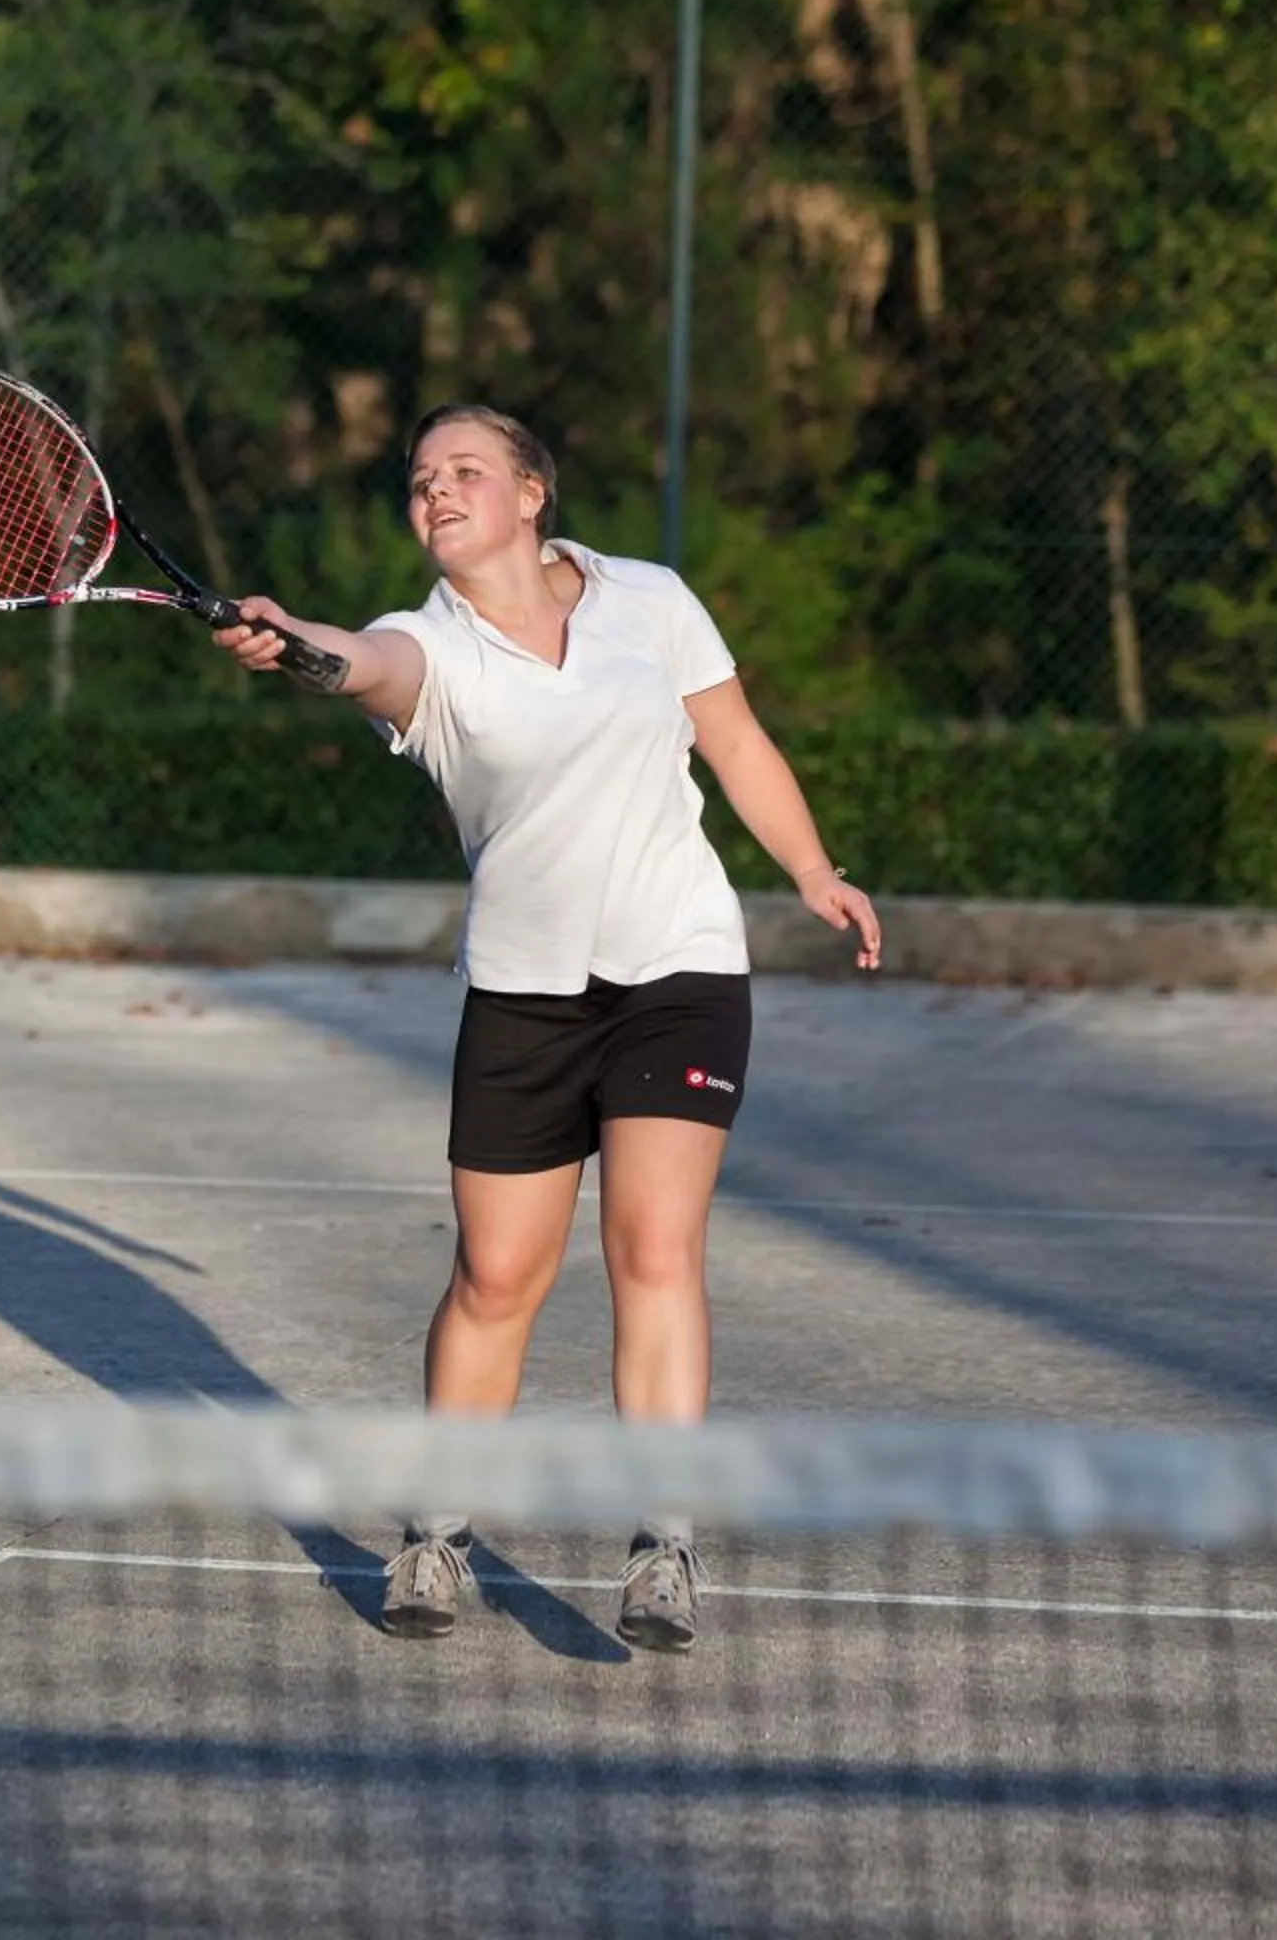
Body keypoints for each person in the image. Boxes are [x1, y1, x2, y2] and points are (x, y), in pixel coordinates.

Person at [213, 404, 882, 1652]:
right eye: (420, 481)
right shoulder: (431, 647)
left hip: (680, 965)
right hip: (524, 991)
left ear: (533, 492)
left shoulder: (652, 598)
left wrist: (812, 869)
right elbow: (358, 662)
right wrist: (294, 640)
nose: (438, 491)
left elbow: (733, 738)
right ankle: (438, 1532)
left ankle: (665, 1547)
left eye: (465, 470)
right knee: (498, 1273)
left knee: (653, 1245)